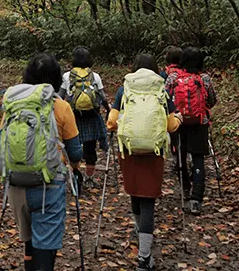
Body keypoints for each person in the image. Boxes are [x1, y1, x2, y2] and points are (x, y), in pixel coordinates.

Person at [0, 53, 83, 271]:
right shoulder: (61, 107)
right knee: (44, 245)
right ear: (55, 78)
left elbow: (0, 143)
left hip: (16, 185)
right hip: (48, 187)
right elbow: (75, 152)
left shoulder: (13, 105)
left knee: (28, 242)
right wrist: (75, 169)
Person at [106, 53, 182, 271]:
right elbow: (170, 125)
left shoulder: (125, 89)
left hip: (129, 149)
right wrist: (178, 119)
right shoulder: (162, 90)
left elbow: (111, 122)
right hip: (154, 150)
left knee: (134, 191)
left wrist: (119, 127)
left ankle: (140, 231)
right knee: (148, 198)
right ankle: (144, 256)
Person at [165, 46, 218, 215]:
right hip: (199, 122)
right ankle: (196, 199)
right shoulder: (204, 79)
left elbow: (165, 98)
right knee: (198, 160)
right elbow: (212, 100)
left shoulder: (173, 78)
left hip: (178, 122)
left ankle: (185, 189)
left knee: (180, 157)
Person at [59, 46, 109, 186]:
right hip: (91, 117)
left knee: (73, 146)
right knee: (90, 148)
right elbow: (103, 97)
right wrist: (108, 109)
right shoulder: (95, 76)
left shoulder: (67, 76)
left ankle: (74, 174)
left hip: (73, 116)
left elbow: (60, 96)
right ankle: (89, 178)